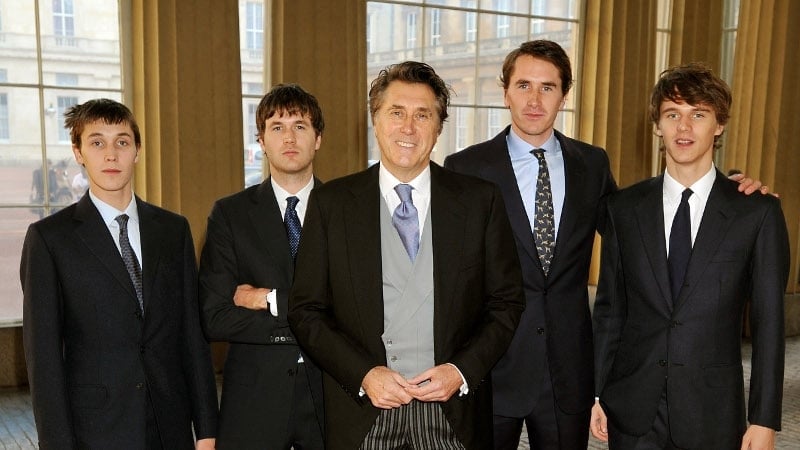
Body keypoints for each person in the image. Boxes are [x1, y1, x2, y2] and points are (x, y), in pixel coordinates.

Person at [444, 40, 768, 450]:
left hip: (569, 372)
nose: (534, 99)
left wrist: (731, 189)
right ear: (505, 91)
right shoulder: (466, 168)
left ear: (565, 94)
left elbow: (637, 233)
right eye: (523, 85)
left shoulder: (591, 164)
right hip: (493, 367)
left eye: (548, 87)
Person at [288, 61, 525, 450]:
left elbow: (506, 303)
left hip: (452, 413)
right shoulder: (332, 204)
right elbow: (306, 311)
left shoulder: (479, 201)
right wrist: (363, 375)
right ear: (375, 120)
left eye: (423, 115)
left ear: (438, 127)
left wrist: (460, 371)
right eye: (396, 113)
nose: (408, 128)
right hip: (364, 413)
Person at [590, 63, 789, 449]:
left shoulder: (757, 213)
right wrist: (597, 393)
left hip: (712, 414)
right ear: (657, 125)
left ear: (718, 125)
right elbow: (611, 310)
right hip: (632, 412)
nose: (684, 128)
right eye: (672, 115)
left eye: (698, 114)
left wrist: (764, 419)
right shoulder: (623, 209)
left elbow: (770, 325)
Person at [20, 98, 218, 450]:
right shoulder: (50, 239)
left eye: (122, 142)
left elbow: (193, 336)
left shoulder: (173, 231)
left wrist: (207, 430)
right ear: (79, 152)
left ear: (137, 151)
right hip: (95, 430)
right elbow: (44, 359)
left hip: (170, 425)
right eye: (97, 142)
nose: (110, 154)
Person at [199, 83, 325, 449]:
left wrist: (269, 299)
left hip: (329, 398)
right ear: (261, 140)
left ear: (317, 138)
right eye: (277, 127)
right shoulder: (230, 215)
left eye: (300, 126)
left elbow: (354, 307)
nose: (289, 137)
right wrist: (308, 321)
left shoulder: (346, 210)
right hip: (253, 402)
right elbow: (214, 316)